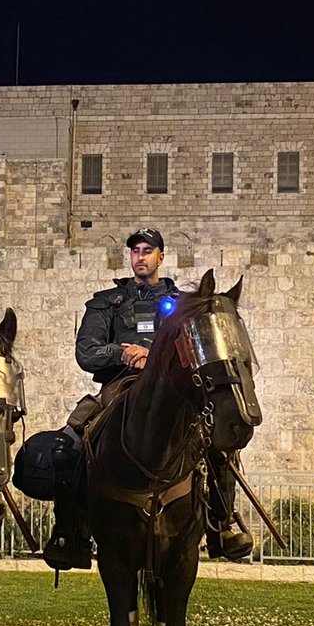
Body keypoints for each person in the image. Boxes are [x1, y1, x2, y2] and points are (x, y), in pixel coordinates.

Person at [42, 227, 253, 570]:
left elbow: (198, 345)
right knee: (68, 445)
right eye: (135, 251)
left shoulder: (182, 305)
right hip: (118, 387)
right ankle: (69, 532)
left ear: (161, 257)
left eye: (147, 251)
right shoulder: (105, 303)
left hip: (170, 390)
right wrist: (122, 352)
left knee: (216, 445)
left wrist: (152, 354)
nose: (140, 257)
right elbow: (86, 352)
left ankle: (222, 523)